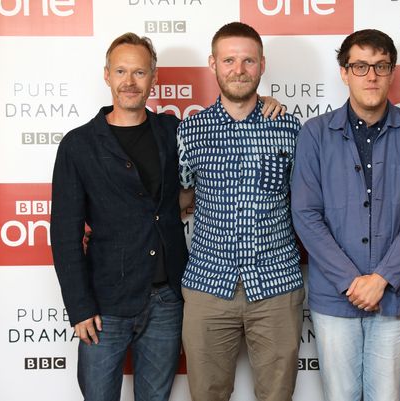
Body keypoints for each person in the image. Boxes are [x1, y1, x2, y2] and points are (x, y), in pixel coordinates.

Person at [50, 32, 284, 401]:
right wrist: (79, 307)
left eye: (140, 72)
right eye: (121, 71)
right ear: (107, 75)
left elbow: (225, 129)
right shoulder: (79, 145)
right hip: (105, 304)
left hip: (166, 300)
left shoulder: (174, 131)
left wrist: (265, 104)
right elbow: (64, 234)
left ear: (154, 78)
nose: (130, 82)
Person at [291, 29, 400, 401]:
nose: (371, 75)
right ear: (344, 72)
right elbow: (306, 215)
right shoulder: (314, 134)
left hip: (394, 295)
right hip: (334, 296)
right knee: (340, 396)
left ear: (392, 72)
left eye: (380, 66)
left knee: (385, 396)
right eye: (360, 66)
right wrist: (351, 280)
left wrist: (382, 279)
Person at [177, 22, 304, 401]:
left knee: (277, 395)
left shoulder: (287, 126)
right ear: (213, 64)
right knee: (206, 395)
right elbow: (183, 197)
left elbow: (306, 202)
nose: (239, 69)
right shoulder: (190, 129)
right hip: (207, 286)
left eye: (248, 60)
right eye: (229, 60)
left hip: (277, 286)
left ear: (262, 65)